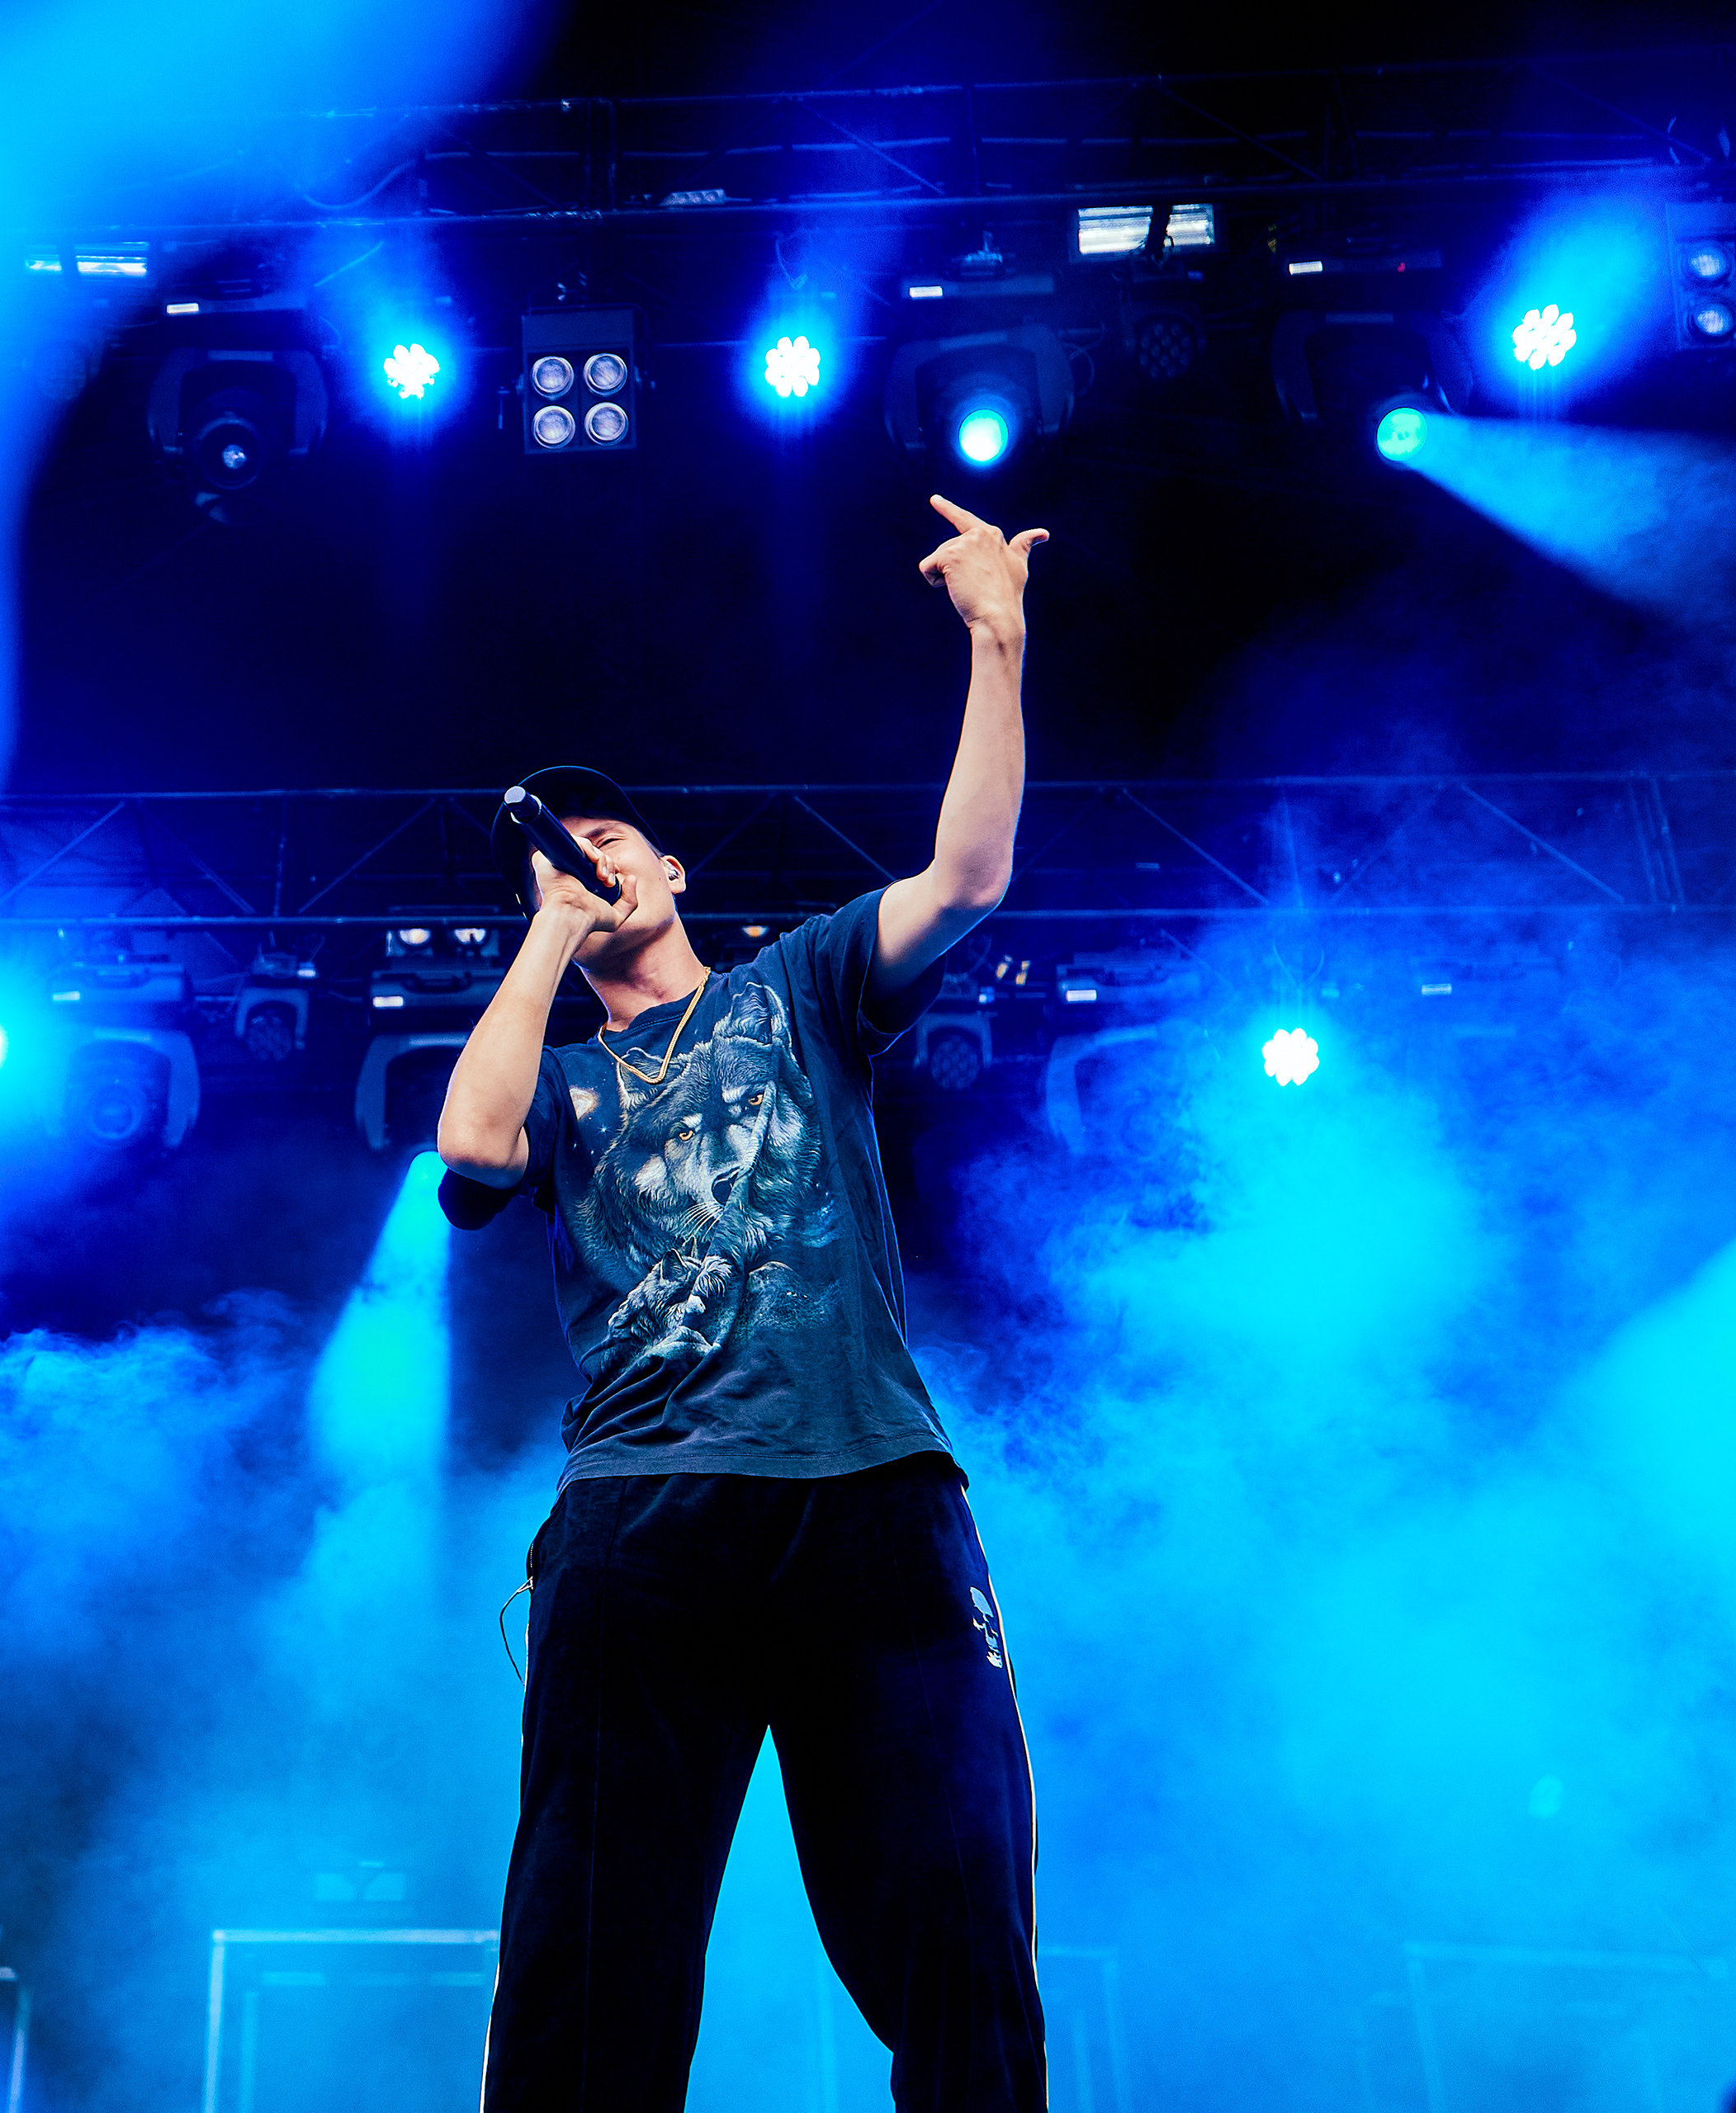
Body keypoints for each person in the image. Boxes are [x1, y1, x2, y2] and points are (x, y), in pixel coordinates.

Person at [435, 496, 1050, 2112]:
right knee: (588, 1959)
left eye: (608, 837)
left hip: (867, 1492)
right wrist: (547, 932)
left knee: (960, 1927)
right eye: (556, 855)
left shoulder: (803, 983)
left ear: (671, 863)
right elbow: (472, 1148)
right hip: (646, 1519)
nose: (585, 856)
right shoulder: (559, 1076)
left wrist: (996, 641)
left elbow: (969, 875)